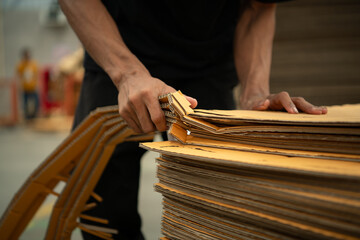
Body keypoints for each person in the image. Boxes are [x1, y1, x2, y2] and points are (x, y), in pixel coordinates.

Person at [59, 0, 327, 239]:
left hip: (207, 65)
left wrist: (254, 94)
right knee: (101, 207)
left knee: (214, 210)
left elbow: (258, 6)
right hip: (116, 49)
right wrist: (127, 74)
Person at [16, 48, 39, 121]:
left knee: (36, 102)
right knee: (25, 104)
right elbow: (19, 77)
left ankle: (34, 116)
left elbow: (36, 75)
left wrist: (37, 85)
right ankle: (27, 117)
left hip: (33, 87)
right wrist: (19, 86)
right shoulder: (21, 65)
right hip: (25, 88)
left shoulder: (33, 64)